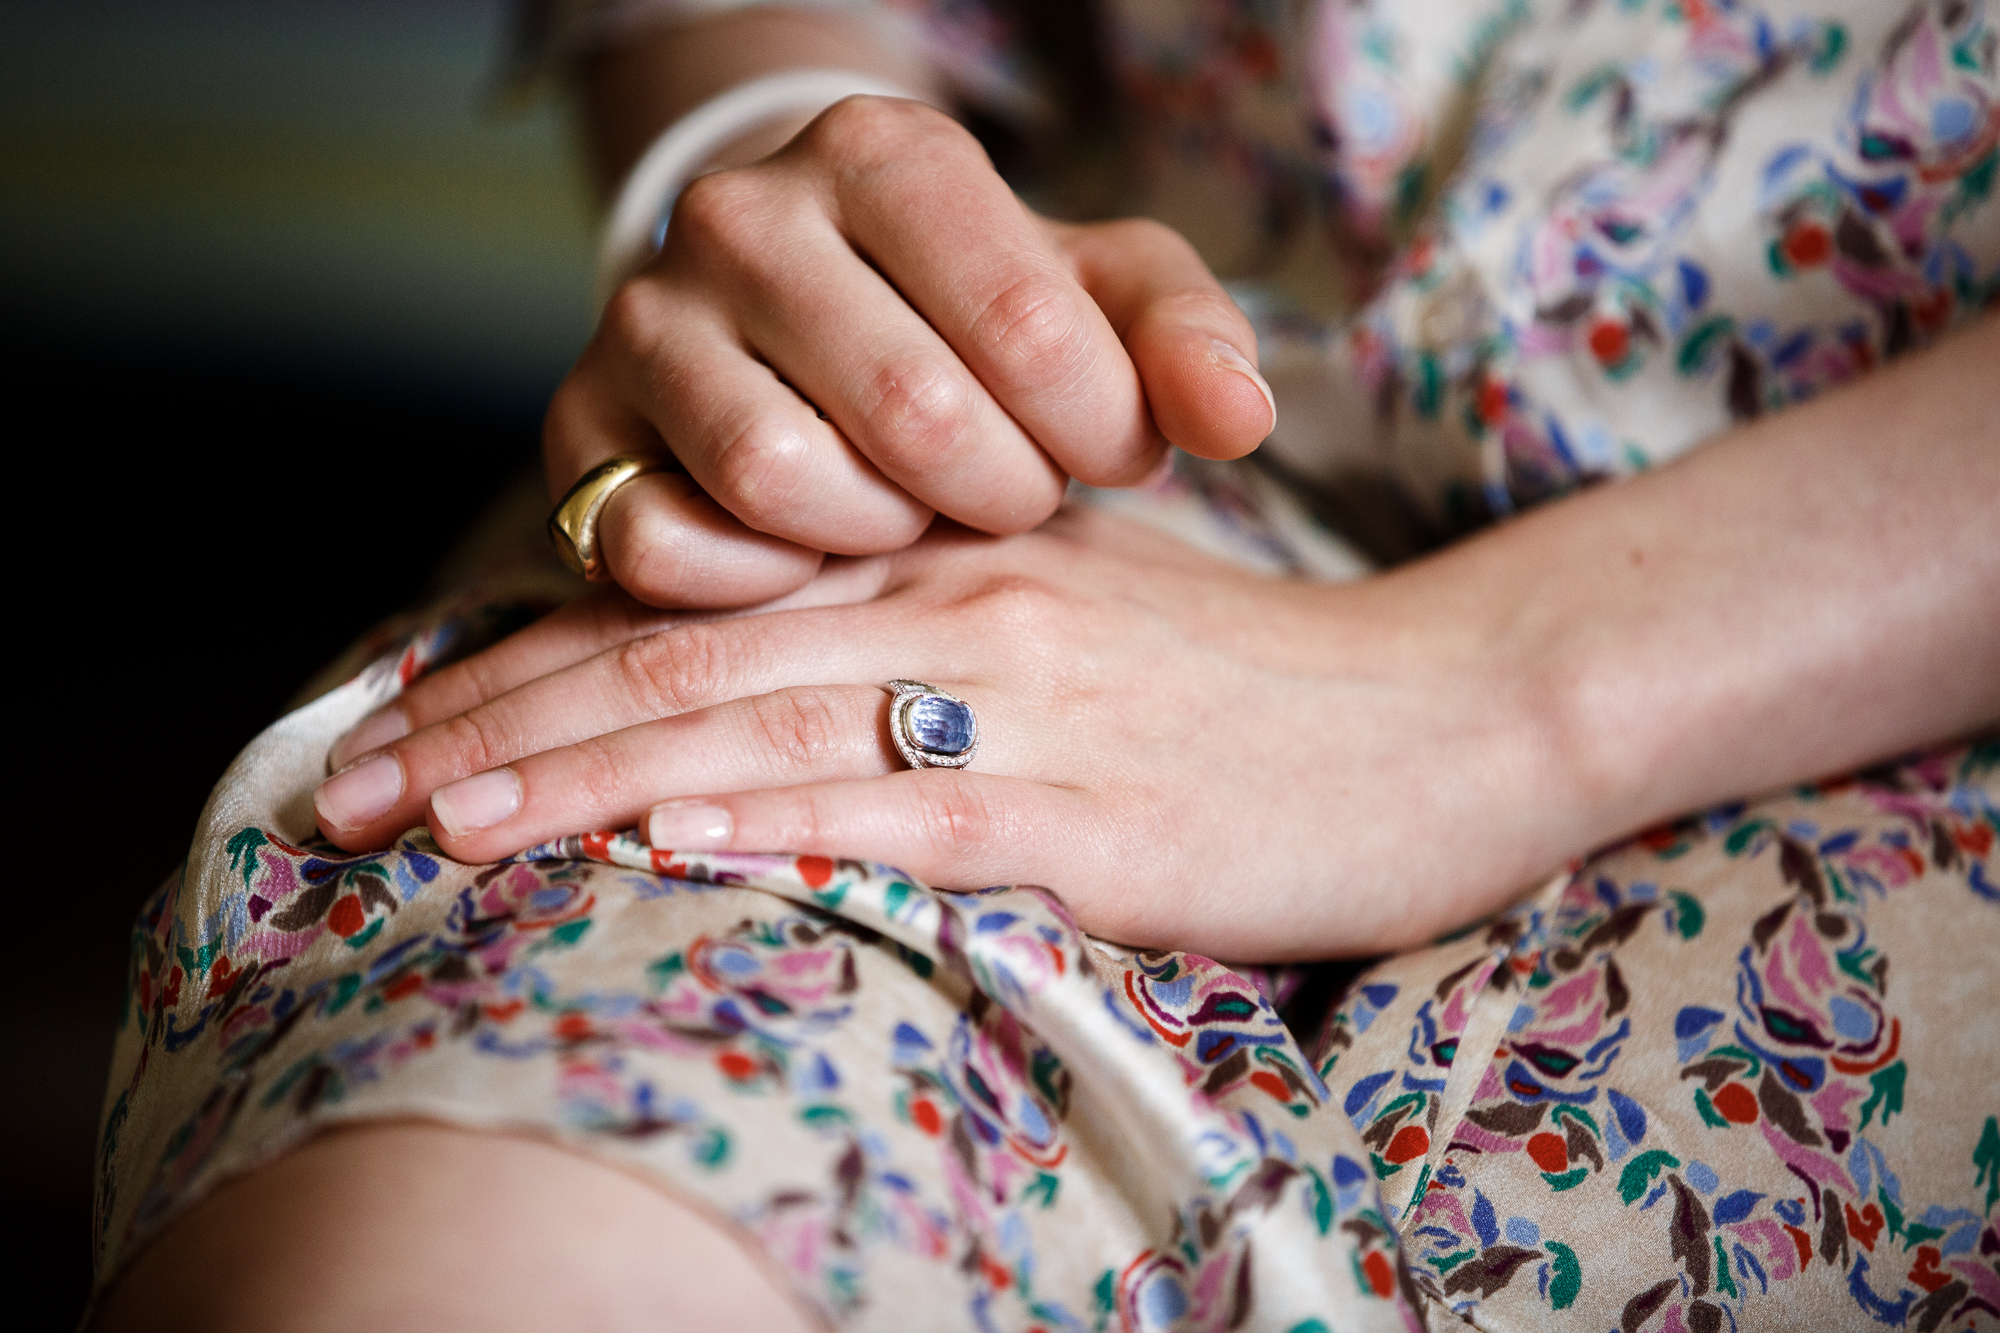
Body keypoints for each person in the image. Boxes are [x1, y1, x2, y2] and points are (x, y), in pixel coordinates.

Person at [93, 2, 1999, 1330]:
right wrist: (803, 229)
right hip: (1045, 511)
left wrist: (1487, 688)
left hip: (1884, 665)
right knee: (454, 1230)